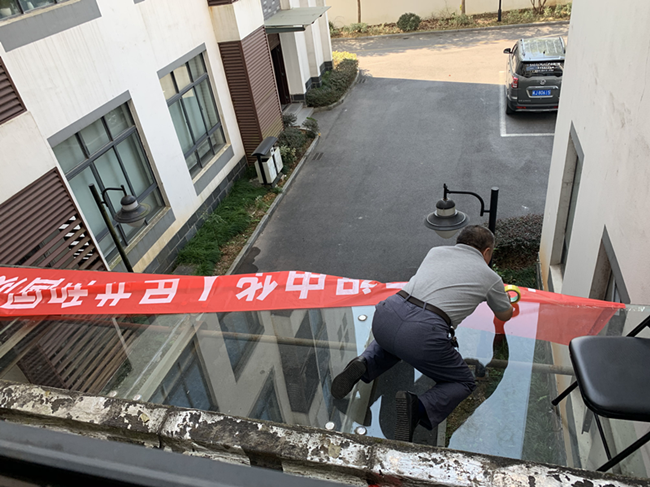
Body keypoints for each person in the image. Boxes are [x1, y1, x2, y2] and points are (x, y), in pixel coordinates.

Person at [331, 225, 514, 442]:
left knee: (396, 340)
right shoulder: (490, 277)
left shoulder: (435, 252)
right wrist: (504, 299)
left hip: (387, 313)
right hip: (424, 333)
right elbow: (504, 315)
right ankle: (417, 407)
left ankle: (365, 362)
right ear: (487, 252)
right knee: (463, 381)